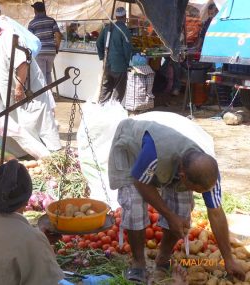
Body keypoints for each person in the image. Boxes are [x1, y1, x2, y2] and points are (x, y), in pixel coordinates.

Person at [108, 111, 246, 284]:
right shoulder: (154, 152)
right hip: (133, 147)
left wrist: (229, 259)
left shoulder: (208, 173)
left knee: (182, 210)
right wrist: (169, 216)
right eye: (196, 190)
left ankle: (163, 259)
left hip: (175, 146)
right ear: (183, 176)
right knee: (134, 206)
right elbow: (140, 183)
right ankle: (138, 263)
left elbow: (216, 213)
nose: (199, 193)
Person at [0, 160, 65, 285]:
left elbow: (6, 244)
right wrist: (39, 243)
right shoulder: (32, 240)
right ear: (26, 200)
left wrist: (39, 240)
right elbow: (47, 280)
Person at [0, 17, 61, 158]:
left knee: (35, 122)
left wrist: (19, 87)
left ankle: (51, 154)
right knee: (15, 123)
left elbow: (22, 63)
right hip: (11, 94)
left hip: (28, 90)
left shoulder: (8, 38)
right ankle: (20, 153)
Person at [96, 7, 132, 104]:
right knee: (118, 92)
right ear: (125, 17)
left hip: (107, 64)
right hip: (119, 66)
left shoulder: (107, 28)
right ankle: (114, 112)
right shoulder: (124, 30)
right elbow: (127, 50)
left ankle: (101, 109)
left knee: (106, 90)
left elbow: (98, 43)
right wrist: (128, 63)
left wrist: (102, 57)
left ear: (116, 16)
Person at [28, 2, 62, 86]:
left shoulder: (32, 23)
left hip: (40, 51)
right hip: (51, 51)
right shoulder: (51, 20)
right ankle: (49, 94)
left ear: (35, 10)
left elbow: (30, 39)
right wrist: (56, 47)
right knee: (48, 73)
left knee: (42, 74)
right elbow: (58, 35)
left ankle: (45, 97)